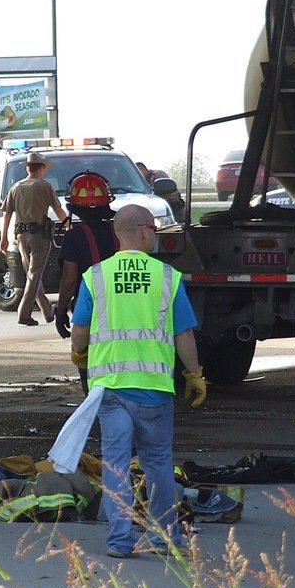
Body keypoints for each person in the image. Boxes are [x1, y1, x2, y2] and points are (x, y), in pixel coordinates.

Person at [69, 204, 208, 558]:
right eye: (155, 231)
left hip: (111, 388)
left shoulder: (95, 276)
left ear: (118, 233)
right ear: (145, 231)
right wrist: (193, 374)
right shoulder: (166, 277)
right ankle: (164, 537)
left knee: (115, 463)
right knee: (158, 464)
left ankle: (119, 540)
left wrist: (79, 355)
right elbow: (183, 334)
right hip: (154, 390)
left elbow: (80, 328)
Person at [55, 172, 120, 392]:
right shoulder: (120, 231)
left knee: (91, 370)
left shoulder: (75, 237)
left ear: (73, 206)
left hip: (90, 312)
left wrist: (61, 310)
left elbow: (70, 279)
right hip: (122, 309)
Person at [0, 151, 69, 326]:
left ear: (28, 168)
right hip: (40, 236)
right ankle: (23, 313)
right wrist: (69, 226)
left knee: (32, 274)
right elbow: (58, 210)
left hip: (21, 236)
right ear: (41, 168)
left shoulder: (16, 187)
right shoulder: (44, 186)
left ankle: (47, 312)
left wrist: (3, 237)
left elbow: (7, 214)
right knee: (34, 275)